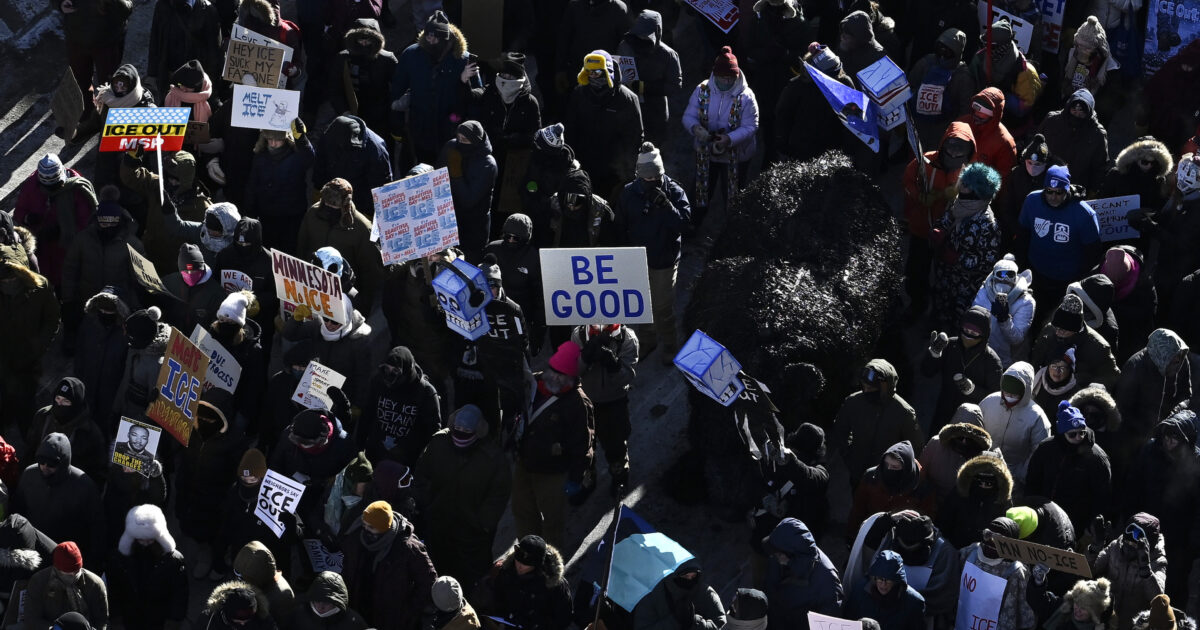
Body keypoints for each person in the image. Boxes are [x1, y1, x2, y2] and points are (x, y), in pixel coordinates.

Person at [416, 404, 511, 587]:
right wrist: (426, 505)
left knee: (469, 579)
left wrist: (482, 524)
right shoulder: (439, 443)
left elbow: (498, 495)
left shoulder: (493, 458)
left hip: (471, 534)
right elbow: (422, 475)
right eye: (457, 429)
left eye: (467, 431)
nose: (460, 435)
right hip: (438, 524)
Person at [511, 342, 594, 548]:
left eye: (563, 374)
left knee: (552, 522)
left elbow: (583, 444)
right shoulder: (533, 383)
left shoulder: (578, 403)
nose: (556, 378)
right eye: (555, 371)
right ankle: (527, 554)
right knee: (522, 511)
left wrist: (576, 478)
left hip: (554, 472)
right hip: (524, 463)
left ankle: (549, 560)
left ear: (572, 376)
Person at [616, 143, 689, 363]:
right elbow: (620, 225)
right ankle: (648, 340)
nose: (651, 181)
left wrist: (667, 206)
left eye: (655, 177)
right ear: (639, 175)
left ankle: (670, 344)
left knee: (662, 307)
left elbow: (684, 225)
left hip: (664, 259)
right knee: (643, 305)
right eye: (647, 178)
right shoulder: (629, 193)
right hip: (638, 259)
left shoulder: (674, 192)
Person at [1123, 411, 1200, 601]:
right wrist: (1128, 517)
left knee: (1171, 584)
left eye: (1175, 436)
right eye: (1166, 434)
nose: (1168, 440)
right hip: (1146, 525)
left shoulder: (1195, 463)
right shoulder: (1150, 451)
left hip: (1178, 537)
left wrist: (1193, 544)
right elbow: (1134, 485)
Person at [902, 121, 977, 318]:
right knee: (915, 271)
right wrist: (918, 196)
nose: (954, 154)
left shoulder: (970, 173)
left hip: (949, 235)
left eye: (959, 151)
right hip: (921, 229)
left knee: (945, 276)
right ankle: (917, 304)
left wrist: (953, 195)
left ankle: (939, 311)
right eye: (950, 149)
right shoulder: (924, 161)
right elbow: (907, 181)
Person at [681, 46, 759, 220]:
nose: (726, 80)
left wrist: (729, 139)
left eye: (730, 77)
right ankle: (694, 224)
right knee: (701, 192)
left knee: (733, 196)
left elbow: (751, 126)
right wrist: (696, 128)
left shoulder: (746, 97)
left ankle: (733, 226)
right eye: (722, 77)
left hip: (736, 156)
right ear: (715, 75)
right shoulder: (702, 90)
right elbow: (688, 116)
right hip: (706, 153)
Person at [175, 389, 246, 579]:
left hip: (215, 500)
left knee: (213, 534)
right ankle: (202, 555)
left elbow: (237, 475)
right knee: (194, 530)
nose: (204, 422)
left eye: (210, 418)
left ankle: (214, 559)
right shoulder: (192, 431)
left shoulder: (234, 442)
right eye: (201, 416)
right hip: (190, 493)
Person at [390, 10, 474, 164]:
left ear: (445, 37)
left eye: (436, 37)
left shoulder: (462, 59)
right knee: (423, 164)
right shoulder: (411, 54)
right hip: (420, 125)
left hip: (450, 127)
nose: (431, 40)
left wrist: (457, 118)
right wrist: (397, 118)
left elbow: (476, 94)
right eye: (428, 35)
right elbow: (398, 87)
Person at [339, 501, 437, 630]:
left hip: (391, 616)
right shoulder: (356, 537)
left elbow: (428, 581)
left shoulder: (407, 548)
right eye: (364, 525)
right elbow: (347, 568)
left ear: (384, 528)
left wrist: (408, 611)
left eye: (371, 527)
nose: (366, 530)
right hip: (359, 608)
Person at [1017, 165, 1102, 311]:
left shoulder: (1084, 213)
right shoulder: (1032, 200)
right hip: (1036, 272)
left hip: (1066, 280)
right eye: (1049, 191)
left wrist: (1079, 280)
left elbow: (1092, 252)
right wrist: (1022, 264)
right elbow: (1023, 235)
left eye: (1059, 192)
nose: (1053, 197)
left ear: (1067, 190)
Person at [11, 434, 103, 567]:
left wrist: (92, 565)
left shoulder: (84, 486)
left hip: (64, 559)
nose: (44, 467)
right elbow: (17, 511)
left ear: (63, 463)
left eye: (51, 464)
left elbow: (96, 529)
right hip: (31, 553)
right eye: (41, 462)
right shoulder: (29, 475)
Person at [930, 162, 1003, 330]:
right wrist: (939, 229)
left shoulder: (988, 224)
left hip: (966, 286)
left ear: (978, 191)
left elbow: (987, 261)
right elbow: (946, 220)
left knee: (959, 318)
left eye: (966, 184)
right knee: (940, 306)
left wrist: (958, 259)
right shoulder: (957, 203)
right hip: (945, 276)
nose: (961, 185)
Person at [830, 359, 924, 489]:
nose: (866, 391)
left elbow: (915, 446)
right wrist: (849, 456)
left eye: (871, 388)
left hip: (885, 478)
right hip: (857, 473)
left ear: (884, 387)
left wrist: (895, 468)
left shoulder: (904, 412)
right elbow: (840, 431)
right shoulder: (853, 402)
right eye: (864, 387)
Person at [469, 53, 541, 219]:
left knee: (509, 205)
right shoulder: (490, 93)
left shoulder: (530, 102)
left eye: (510, 76)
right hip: (490, 157)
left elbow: (534, 135)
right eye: (503, 75)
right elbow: (471, 101)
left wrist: (512, 139)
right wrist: (465, 79)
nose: (505, 79)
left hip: (515, 163)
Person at [564, 49, 644, 198]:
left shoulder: (627, 98)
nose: (593, 76)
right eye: (589, 72)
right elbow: (571, 128)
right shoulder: (579, 93)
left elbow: (634, 138)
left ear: (607, 72)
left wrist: (627, 172)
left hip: (613, 169)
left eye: (597, 72)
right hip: (583, 164)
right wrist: (570, 161)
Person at [570, 323, 639, 494]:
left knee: (616, 444)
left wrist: (613, 365)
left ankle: (619, 475)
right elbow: (573, 372)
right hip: (585, 402)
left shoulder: (628, 338)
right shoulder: (579, 335)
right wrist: (584, 358)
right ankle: (587, 476)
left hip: (614, 401)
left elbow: (627, 377)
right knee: (583, 445)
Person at [1025, 401, 1113, 531]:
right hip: (1044, 515)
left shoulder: (1096, 457)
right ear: (1062, 433)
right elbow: (1033, 481)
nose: (1078, 437)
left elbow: (1102, 496)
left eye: (1082, 432)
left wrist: (1092, 526)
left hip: (1077, 522)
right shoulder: (1046, 449)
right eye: (1072, 434)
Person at [14, 154, 97, 289]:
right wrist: (28, 218)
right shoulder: (31, 185)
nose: (51, 191)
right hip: (41, 250)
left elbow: (87, 223)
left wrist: (64, 231)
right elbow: (19, 212)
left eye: (55, 186)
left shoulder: (77, 189)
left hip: (68, 252)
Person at [296, 181, 383, 309]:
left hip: (345, 293)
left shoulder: (361, 228)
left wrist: (363, 303)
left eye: (334, 204)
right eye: (327, 202)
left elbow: (369, 270)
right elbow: (302, 246)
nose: (329, 206)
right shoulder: (313, 214)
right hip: (314, 285)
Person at [54, 0, 132, 141]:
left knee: (109, 85)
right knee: (79, 81)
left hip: (107, 42)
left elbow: (126, 9)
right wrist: (60, 4)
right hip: (76, 37)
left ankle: (111, 126)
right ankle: (87, 119)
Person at [920, 305, 1004, 432]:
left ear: (984, 334)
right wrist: (934, 354)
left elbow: (995, 400)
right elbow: (927, 372)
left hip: (969, 422)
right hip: (943, 412)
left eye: (974, 333)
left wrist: (973, 390)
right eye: (966, 330)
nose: (968, 335)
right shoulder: (949, 345)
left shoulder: (992, 362)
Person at [105, 504, 188, 630]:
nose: (145, 541)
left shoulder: (173, 560)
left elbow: (179, 594)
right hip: (130, 619)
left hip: (159, 620)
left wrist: (173, 621)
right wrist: (117, 619)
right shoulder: (118, 559)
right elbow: (114, 591)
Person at [1115, 328, 1200, 447]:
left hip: (1169, 426)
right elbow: (1123, 411)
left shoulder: (1180, 358)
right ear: (1161, 357)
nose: (1177, 366)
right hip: (1138, 433)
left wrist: (1174, 414)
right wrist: (1147, 432)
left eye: (1178, 361)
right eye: (1173, 362)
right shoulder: (1134, 369)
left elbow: (1186, 394)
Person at [361, 346, 443, 466]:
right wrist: (358, 448)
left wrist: (423, 464)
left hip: (407, 459)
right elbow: (366, 416)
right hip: (375, 453)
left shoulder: (426, 392)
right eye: (386, 368)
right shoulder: (378, 381)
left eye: (395, 371)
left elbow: (433, 431)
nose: (389, 374)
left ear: (407, 370)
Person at [244, 120, 316, 253]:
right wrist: (250, 211)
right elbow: (253, 184)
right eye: (269, 139)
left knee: (288, 251)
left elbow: (309, 158)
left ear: (285, 138)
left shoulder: (296, 154)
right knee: (269, 249)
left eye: (277, 139)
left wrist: (301, 138)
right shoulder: (260, 155)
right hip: (267, 213)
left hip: (291, 215)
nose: (273, 143)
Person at [475, 535, 573, 630]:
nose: (520, 566)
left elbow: (563, 619)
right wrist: (501, 621)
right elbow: (498, 599)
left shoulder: (554, 585)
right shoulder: (505, 571)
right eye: (518, 561)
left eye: (527, 564)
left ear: (538, 564)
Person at [761, 518, 844, 630]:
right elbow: (770, 589)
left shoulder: (828, 582)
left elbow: (829, 623)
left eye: (779, 555)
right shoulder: (779, 554)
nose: (774, 557)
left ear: (795, 556)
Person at [616, 9, 682, 146]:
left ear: (657, 33)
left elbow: (675, 86)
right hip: (629, 109)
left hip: (655, 112)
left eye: (645, 36)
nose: (641, 40)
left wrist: (643, 87)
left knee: (654, 149)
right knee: (629, 147)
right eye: (639, 35)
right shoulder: (626, 46)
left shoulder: (668, 55)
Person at [25, 377, 107, 485]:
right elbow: (31, 449)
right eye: (58, 399)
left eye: (66, 401)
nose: (60, 404)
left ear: (76, 404)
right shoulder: (43, 416)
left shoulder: (90, 433)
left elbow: (97, 472)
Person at [978, 361, 1049, 486]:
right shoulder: (988, 402)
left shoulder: (1037, 417)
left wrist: (1021, 474)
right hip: (982, 467)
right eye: (1006, 392)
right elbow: (976, 430)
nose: (1009, 396)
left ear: (1025, 391)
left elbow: (1038, 453)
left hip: (1014, 476)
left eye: (1014, 394)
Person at [959, 517, 1037, 630]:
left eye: (999, 540)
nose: (991, 541)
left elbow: (1021, 615)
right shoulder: (970, 552)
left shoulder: (1016, 572)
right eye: (988, 535)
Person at [1030, 294, 1121, 389]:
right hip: (1044, 387)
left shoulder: (1098, 347)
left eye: (1063, 329)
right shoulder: (1049, 330)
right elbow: (1036, 359)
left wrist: (1084, 385)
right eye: (1056, 327)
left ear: (1075, 329)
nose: (1057, 332)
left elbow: (1110, 376)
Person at [1093, 514, 1167, 628]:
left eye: (1133, 545)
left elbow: (1158, 599)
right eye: (1126, 542)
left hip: (1132, 625)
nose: (1128, 548)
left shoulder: (1158, 561)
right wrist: (1095, 547)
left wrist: (1146, 569)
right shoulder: (1115, 546)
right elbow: (1091, 570)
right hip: (1106, 618)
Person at [438, 121, 498, 260]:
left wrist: (456, 173)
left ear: (475, 141)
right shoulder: (451, 146)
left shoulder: (488, 164)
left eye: (465, 140)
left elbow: (468, 200)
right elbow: (437, 175)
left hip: (473, 228)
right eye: (458, 137)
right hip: (449, 221)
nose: (460, 142)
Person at [312, 116, 394, 218]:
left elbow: (380, 184)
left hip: (359, 202)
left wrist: (370, 212)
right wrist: (318, 188)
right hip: (333, 196)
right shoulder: (329, 135)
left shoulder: (376, 149)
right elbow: (320, 163)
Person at [848, 441, 937, 533]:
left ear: (906, 468)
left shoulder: (923, 487)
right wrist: (853, 535)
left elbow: (925, 523)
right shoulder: (871, 476)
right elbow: (858, 510)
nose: (889, 469)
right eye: (887, 464)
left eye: (895, 467)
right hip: (871, 530)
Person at [908, 28, 975, 150]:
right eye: (940, 49)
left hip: (942, 131)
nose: (943, 55)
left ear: (957, 52)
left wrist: (954, 133)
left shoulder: (962, 76)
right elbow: (910, 85)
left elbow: (965, 109)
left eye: (948, 51)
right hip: (918, 125)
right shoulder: (926, 63)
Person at [967, 17, 1043, 121]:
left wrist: (999, 97)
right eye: (984, 44)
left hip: (1009, 121)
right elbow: (969, 82)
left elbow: (1024, 108)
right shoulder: (979, 58)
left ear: (1003, 46)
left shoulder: (1024, 71)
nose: (987, 49)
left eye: (992, 47)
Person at [1037, 89, 1110, 194]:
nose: (1077, 115)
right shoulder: (1052, 121)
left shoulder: (1097, 134)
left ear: (1088, 113)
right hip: (1046, 180)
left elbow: (1100, 167)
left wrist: (1093, 191)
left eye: (1081, 113)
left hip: (1076, 188)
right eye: (1074, 111)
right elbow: (1036, 144)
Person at [23, 542, 108, 630]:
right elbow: (31, 619)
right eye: (68, 572)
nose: (73, 574)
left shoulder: (95, 584)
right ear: (57, 568)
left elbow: (102, 621)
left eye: (76, 570)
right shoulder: (39, 582)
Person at [972, 253, 1036, 367]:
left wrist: (1004, 319)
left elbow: (1017, 339)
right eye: (1001, 274)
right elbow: (974, 320)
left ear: (1015, 276)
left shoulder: (1026, 302)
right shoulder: (984, 290)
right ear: (994, 275)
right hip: (980, 352)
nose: (1005, 279)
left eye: (1009, 274)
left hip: (1005, 359)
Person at [918, 407, 996, 500]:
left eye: (969, 438)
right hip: (930, 499)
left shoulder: (983, 456)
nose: (964, 442)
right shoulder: (935, 443)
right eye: (960, 437)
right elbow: (920, 473)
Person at [147, 0, 221, 94]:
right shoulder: (162, 6)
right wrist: (152, 73)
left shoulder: (208, 10)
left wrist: (211, 83)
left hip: (193, 80)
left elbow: (214, 51)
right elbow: (155, 39)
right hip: (169, 75)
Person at [841, 550, 926, 630]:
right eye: (880, 579)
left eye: (888, 580)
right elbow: (848, 621)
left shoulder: (913, 602)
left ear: (896, 580)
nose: (883, 584)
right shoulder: (860, 590)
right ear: (874, 577)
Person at [631, 560, 726, 629]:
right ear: (674, 574)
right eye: (685, 576)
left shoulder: (706, 592)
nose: (689, 580)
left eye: (693, 576)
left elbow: (720, 623)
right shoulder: (655, 594)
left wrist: (694, 621)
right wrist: (674, 621)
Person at [955, 90, 1017, 183]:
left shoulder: (1005, 143)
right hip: (953, 181)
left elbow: (1004, 177)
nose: (976, 115)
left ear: (994, 114)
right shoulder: (962, 123)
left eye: (981, 115)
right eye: (975, 108)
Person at [233, 542, 297, 624]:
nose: (239, 581)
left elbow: (280, 623)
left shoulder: (282, 597)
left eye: (242, 578)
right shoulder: (256, 575)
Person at [288, 571, 369, 630]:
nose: (321, 606)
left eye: (326, 602)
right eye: (317, 601)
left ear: (337, 603)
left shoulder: (354, 622)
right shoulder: (299, 615)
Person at [194, 581, 276, 630]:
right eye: (239, 621)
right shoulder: (209, 621)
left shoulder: (262, 617)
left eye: (247, 620)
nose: (243, 624)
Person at [1041, 577, 1118, 630]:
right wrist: (1038, 583)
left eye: (1083, 608)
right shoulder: (1064, 610)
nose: (1078, 610)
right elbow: (1042, 602)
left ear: (1095, 612)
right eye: (1077, 603)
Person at [1031, 348, 1080, 419]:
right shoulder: (1037, 380)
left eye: (1062, 368)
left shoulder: (1075, 393)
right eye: (1054, 366)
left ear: (1070, 370)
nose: (1057, 371)